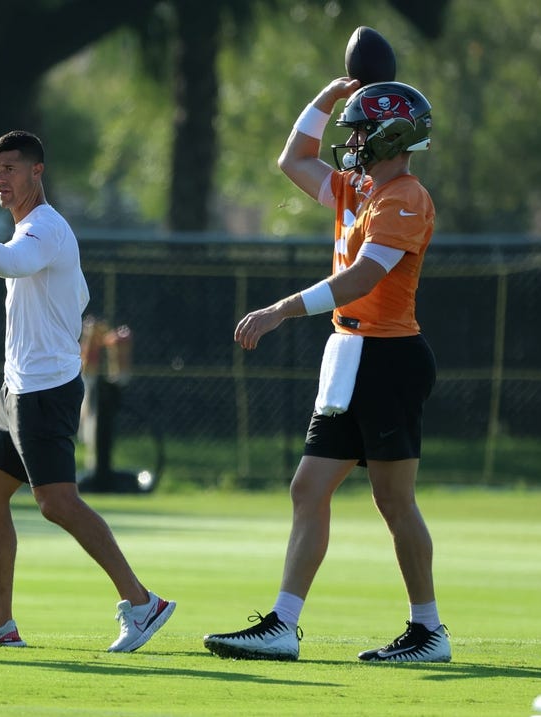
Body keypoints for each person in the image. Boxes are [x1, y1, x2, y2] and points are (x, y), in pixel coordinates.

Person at [0, 130, 175, 652]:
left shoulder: (45, 227)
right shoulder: (31, 229)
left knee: (56, 503)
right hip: (18, 389)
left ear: (37, 173)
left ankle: (143, 604)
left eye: (11, 168)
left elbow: (11, 263)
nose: (1, 178)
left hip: (46, 391)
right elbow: (77, 292)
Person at [202, 79, 449, 663]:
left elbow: (364, 279)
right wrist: (326, 98)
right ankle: (283, 625)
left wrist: (281, 310)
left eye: (362, 129)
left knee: (394, 500)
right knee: (308, 488)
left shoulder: (404, 196)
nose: (354, 140)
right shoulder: (356, 189)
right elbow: (293, 158)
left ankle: (428, 631)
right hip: (350, 355)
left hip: (390, 359)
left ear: (393, 133)